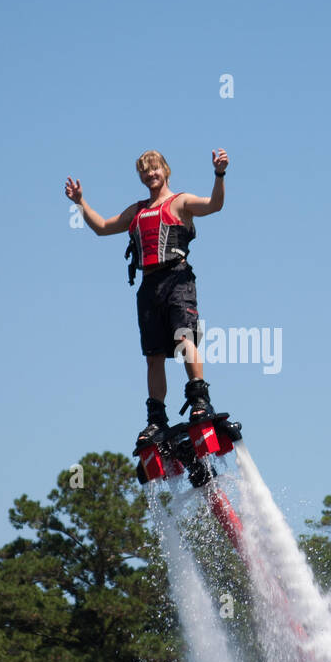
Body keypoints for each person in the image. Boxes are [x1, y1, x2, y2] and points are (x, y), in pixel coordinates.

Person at [65, 148, 229, 445]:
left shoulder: (181, 202)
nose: (150, 173)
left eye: (154, 168)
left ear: (165, 170)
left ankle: (199, 400)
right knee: (153, 357)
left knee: (184, 339)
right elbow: (102, 228)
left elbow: (215, 205)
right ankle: (157, 420)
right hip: (148, 286)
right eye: (144, 170)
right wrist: (80, 203)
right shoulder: (137, 211)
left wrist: (219, 174)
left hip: (177, 279)